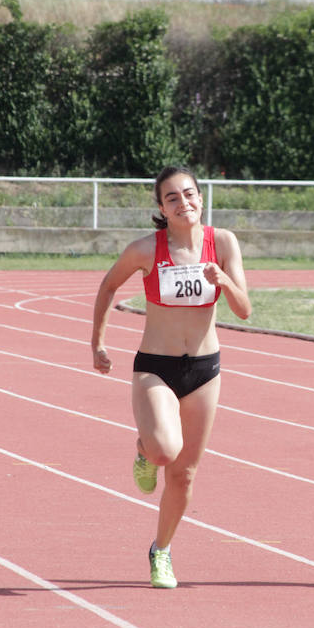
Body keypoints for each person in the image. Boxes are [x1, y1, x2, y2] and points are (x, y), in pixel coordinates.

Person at [91, 165, 251, 588]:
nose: (184, 203)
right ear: (160, 207)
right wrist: (99, 344)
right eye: (173, 198)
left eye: (190, 194)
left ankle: (160, 550)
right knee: (165, 451)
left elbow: (244, 309)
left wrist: (224, 281)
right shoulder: (146, 249)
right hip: (156, 367)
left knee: (184, 474)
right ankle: (145, 449)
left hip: (204, 368)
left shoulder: (224, 243)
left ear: (202, 197)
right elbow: (108, 286)